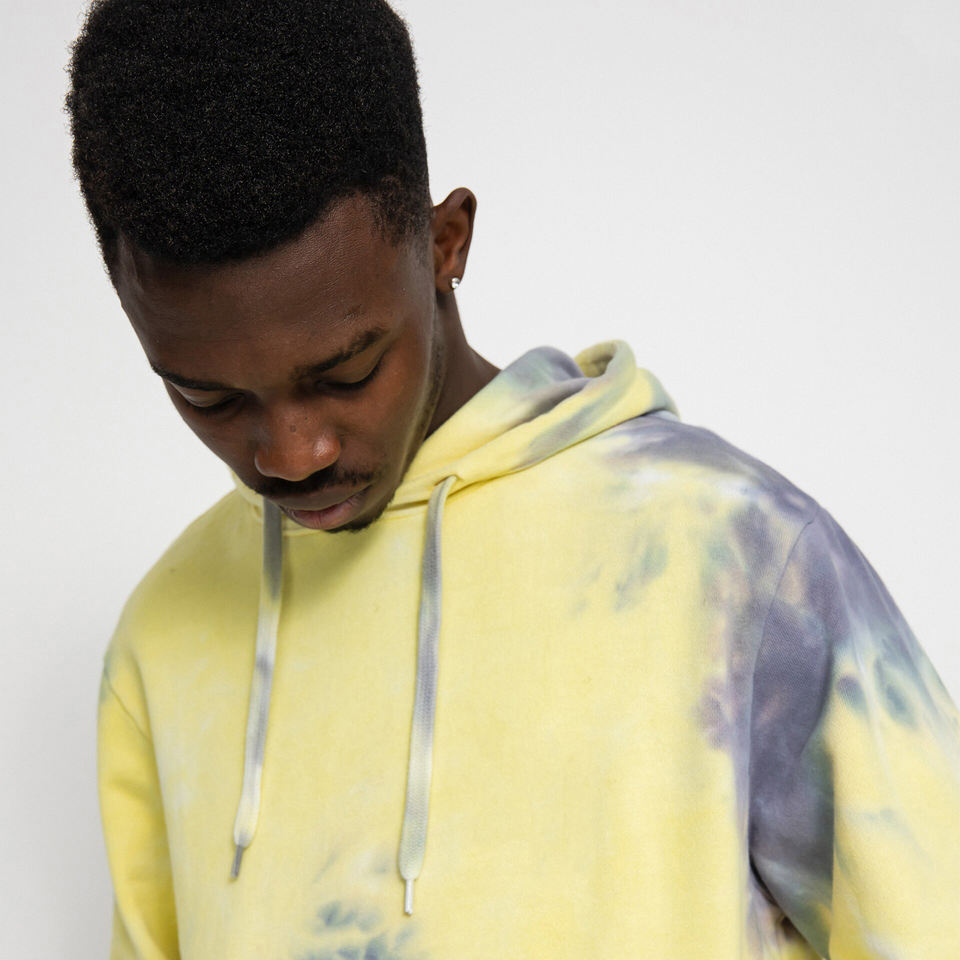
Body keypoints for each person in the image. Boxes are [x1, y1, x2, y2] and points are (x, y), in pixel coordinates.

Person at [66, 1, 960, 958]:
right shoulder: (167, 633)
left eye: (347, 373)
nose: (291, 454)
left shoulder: (731, 555)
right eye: (208, 396)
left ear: (445, 243)